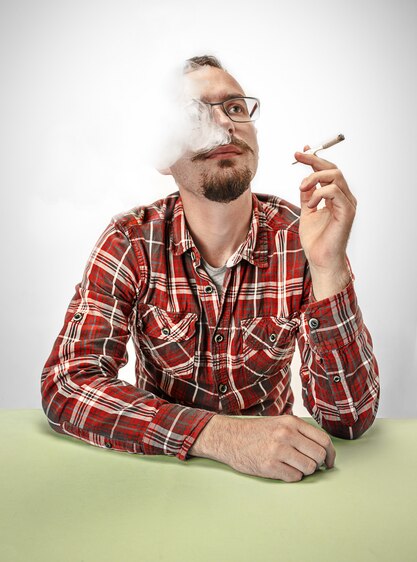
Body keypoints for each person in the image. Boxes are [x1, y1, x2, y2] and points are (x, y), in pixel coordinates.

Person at [40, 55, 380, 483]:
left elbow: (349, 419)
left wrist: (329, 268)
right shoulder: (130, 240)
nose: (224, 124)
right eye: (195, 114)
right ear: (162, 156)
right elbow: (67, 385)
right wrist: (222, 437)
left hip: (279, 484)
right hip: (163, 480)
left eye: (235, 108)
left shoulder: (304, 237)